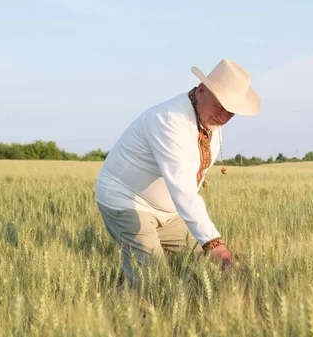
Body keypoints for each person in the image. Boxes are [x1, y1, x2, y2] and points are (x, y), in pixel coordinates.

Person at [95, 59, 260, 284]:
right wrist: (217, 246)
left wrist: (212, 247)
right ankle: (115, 310)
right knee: (153, 281)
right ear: (201, 91)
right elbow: (184, 191)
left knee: (206, 266)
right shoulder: (169, 120)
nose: (223, 118)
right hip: (127, 202)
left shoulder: (209, 121)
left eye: (231, 113)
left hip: (171, 215)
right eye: (220, 107)